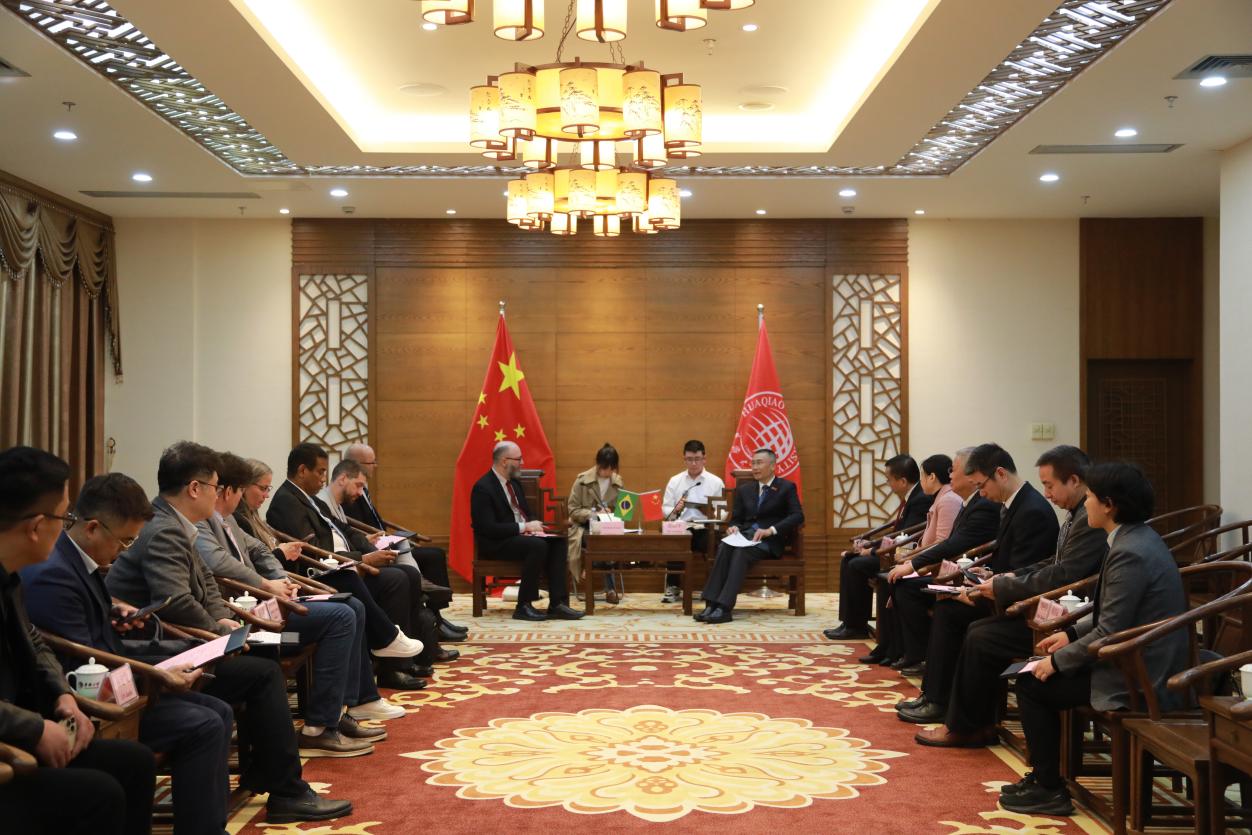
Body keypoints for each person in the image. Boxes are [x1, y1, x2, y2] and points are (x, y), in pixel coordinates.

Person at [20, 464, 354, 824]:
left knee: (233, 695)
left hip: (140, 654)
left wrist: (208, 630)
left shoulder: (97, 552)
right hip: (103, 693)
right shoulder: (58, 571)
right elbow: (87, 657)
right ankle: (277, 786)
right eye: (124, 542)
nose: (123, 552)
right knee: (219, 709)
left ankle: (268, 783)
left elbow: (207, 583)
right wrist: (168, 665)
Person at [105, 442, 394, 758]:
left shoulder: (187, 522)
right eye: (215, 487)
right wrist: (221, 627)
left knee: (335, 613)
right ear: (195, 489)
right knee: (288, 647)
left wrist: (227, 613)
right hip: (174, 644)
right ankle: (302, 744)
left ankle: (315, 731)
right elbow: (177, 600)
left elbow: (211, 579)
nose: (219, 494)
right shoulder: (167, 528)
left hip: (222, 621)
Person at [1004, 462, 1187, 815]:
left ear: (1109, 505)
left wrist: (1056, 662)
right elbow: (1113, 614)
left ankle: (1048, 788)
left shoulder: (1130, 551)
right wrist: (1070, 633)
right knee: (1035, 674)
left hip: (1139, 672)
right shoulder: (1134, 538)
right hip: (1130, 655)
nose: (1085, 503)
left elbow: (1110, 631)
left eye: (1089, 496)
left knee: (1031, 684)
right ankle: (1044, 778)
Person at [0, 447, 157, 835]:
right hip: (9, 744)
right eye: (64, 517)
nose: (67, 528)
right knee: (99, 794)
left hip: (22, 725)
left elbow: (34, 642)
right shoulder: (40, 572)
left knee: (134, 762)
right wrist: (34, 729)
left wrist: (62, 695)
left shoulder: (11, 576)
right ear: (37, 526)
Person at [912, 445, 1109, 748]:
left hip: (1065, 615)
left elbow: (1065, 575)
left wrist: (1004, 586)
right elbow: (1055, 564)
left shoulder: (1078, 517)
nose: (1047, 494)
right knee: (974, 628)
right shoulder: (1077, 513)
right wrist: (1009, 577)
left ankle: (967, 725)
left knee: (980, 634)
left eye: (1050, 485)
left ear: (1074, 481)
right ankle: (967, 720)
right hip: (1052, 606)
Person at [194, 453, 399, 739]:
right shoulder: (203, 524)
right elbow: (218, 562)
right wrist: (267, 584)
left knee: (352, 606)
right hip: (254, 624)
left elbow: (260, 550)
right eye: (245, 490)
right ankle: (321, 725)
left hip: (266, 609)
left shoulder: (225, 519)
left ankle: (345, 708)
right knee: (341, 616)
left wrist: (280, 580)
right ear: (229, 491)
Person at [896, 443, 1058, 716]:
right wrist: (988, 575)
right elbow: (1012, 566)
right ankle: (933, 696)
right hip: (1005, 590)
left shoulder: (1031, 510)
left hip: (1020, 604)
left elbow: (1028, 573)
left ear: (1000, 474)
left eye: (982, 486)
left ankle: (941, 702)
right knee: (947, 606)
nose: (981, 493)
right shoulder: (1014, 504)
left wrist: (984, 590)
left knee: (951, 614)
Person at [264, 445, 444, 690]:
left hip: (344, 564)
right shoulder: (286, 501)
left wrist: (370, 551)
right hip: (320, 573)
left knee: (408, 574)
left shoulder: (310, 499)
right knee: (396, 579)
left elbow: (345, 530)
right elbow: (312, 549)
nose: (323, 478)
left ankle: (402, 657)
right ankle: (391, 660)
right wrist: (363, 559)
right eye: (320, 471)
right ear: (302, 470)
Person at [317, 457, 459, 675]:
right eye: (358, 485)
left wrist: (369, 545)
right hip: (340, 570)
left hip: (353, 561)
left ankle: (418, 648)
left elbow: (348, 533)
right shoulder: (322, 502)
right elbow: (328, 548)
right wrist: (367, 556)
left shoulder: (333, 502)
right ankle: (396, 662)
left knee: (413, 568)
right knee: (401, 577)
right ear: (343, 478)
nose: (360, 492)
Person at [883, 447, 999, 672]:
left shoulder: (976, 504)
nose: (950, 475)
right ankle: (903, 651)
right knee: (898, 582)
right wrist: (913, 562)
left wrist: (914, 564)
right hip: (954, 568)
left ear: (971, 474)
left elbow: (950, 543)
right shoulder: (966, 501)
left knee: (907, 588)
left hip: (968, 573)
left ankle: (918, 655)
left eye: (953, 470)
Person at [340, 443, 467, 643]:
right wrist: (379, 540)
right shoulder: (348, 493)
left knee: (435, 554)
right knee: (424, 560)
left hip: (381, 541)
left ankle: (437, 617)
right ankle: (430, 622)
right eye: (372, 462)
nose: (375, 466)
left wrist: (390, 536)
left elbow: (373, 522)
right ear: (356, 464)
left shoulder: (362, 489)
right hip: (371, 548)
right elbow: (352, 529)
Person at [857, 453, 962, 662]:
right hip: (926, 560)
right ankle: (890, 647)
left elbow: (942, 542)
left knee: (895, 581)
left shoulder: (948, 499)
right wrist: (910, 557)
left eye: (922, 476)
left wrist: (913, 561)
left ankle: (904, 650)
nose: (920, 481)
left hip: (937, 566)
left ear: (932, 477)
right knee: (888, 578)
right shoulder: (941, 497)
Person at [470, 441, 584, 622]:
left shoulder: (514, 483)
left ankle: (557, 604)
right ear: (504, 461)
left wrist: (536, 528)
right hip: (496, 542)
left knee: (558, 542)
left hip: (520, 538)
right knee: (537, 546)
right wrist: (525, 528)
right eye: (518, 459)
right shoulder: (483, 488)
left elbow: (526, 513)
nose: (522, 463)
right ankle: (523, 606)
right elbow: (487, 528)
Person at [826, 454, 932, 640]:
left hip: (903, 555)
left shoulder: (920, 499)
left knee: (856, 565)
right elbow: (898, 532)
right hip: (893, 550)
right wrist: (870, 544)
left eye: (889, 479)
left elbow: (907, 537)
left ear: (902, 481)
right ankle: (850, 622)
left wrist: (873, 550)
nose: (887, 483)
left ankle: (856, 626)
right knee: (849, 560)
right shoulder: (911, 496)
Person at [696, 448, 804, 624]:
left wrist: (771, 530)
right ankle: (711, 603)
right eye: (753, 463)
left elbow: (798, 516)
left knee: (741, 553)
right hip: (744, 536)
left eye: (759, 463)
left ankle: (724, 608)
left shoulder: (786, 487)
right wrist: (733, 528)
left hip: (768, 540)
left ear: (772, 466)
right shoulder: (745, 490)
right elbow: (736, 519)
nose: (754, 467)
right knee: (724, 546)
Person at [660, 440, 725, 604]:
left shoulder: (715, 482)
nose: (693, 463)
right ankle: (673, 586)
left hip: (705, 527)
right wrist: (675, 509)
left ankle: (712, 588)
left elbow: (724, 511)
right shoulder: (675, 481)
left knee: (715, 543)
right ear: (684, 459)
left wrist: (711, 513)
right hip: (682, 527)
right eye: (689, 459)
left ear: (704, 459)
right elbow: (665, 508)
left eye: (697, 459)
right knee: (674, 541)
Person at [566, 443, 626, 601]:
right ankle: (609, 589)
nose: (609, 472)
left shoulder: (618, 482)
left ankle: (591, 569)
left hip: (609, 528)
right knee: (600, 543)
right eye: (605, 468)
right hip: (583, 527)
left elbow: (622, 511)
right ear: (598, 464)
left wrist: (615, 513)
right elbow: (573, 510)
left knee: (608, 542)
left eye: (612, 469)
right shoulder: (582, 481)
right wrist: (594, 514)